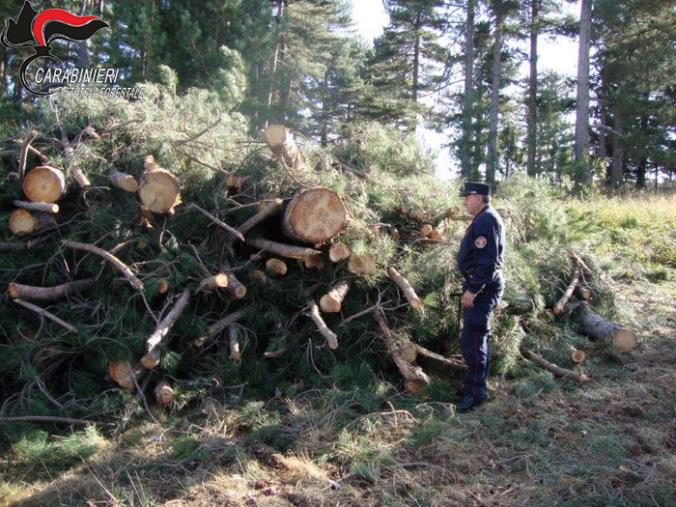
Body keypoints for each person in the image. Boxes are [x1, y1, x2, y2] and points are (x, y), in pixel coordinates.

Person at [455, 182, 506, 412]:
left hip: (482, 286)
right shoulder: (484, 218)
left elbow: (488, 261)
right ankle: (475, 384)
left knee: (473, 339)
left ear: (478, 197)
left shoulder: (486, 220)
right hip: (480, 283)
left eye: (467, 197)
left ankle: (475, 393)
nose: (465, 201)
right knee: (476, 338)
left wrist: (473, 289)